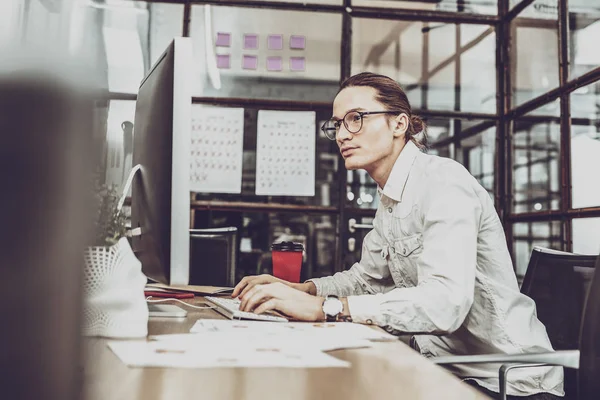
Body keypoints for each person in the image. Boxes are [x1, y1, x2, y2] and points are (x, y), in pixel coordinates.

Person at [231, 72, 563, 399]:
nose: (343, 134)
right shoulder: (391, 197)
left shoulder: (444, 183)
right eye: (337, 124)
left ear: (399, 124)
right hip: (447, 371)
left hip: (508, 383)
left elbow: (445, 303)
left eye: (356, 119)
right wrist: (301, 290)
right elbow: (366, 280)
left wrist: (325, 307)